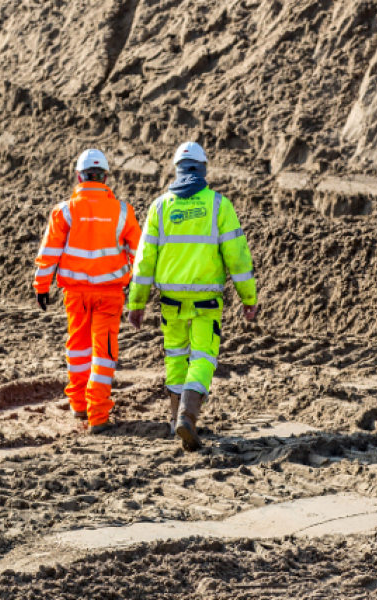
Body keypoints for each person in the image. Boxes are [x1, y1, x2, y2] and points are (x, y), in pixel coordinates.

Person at [127, 142, 258, 451]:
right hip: (206, 301)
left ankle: (175, 419)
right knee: (202, 357)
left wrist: (136, 302)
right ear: (203, 170)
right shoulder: (218, 205)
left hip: (171, 301)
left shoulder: (160, 207)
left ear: (177, 170)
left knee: (175, 357)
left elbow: (144, 261)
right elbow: (238, 257)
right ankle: (188, 414)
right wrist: (248, 298)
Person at [33, 149, 142, 434]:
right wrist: (137, 286)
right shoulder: (123, 211)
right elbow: (138, 254)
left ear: (79, 177)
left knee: (79, 349)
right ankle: (98, 415)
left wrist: (41, 286)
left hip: (76, 294)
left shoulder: (65, 210)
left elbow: (49, 252)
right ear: (105, 177)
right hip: (110, 294)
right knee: (104, 354)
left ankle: (79, 404)